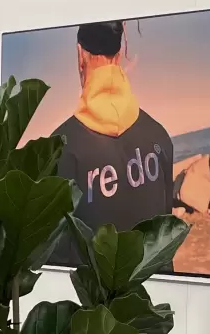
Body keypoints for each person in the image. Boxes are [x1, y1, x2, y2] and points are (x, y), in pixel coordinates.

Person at [49, 20, 174, 265]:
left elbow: (56, 258)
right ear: (119, 54)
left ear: (80, 54)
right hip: (154, 289)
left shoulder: (58, 149)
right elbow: (165, 239)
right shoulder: (159, 136)